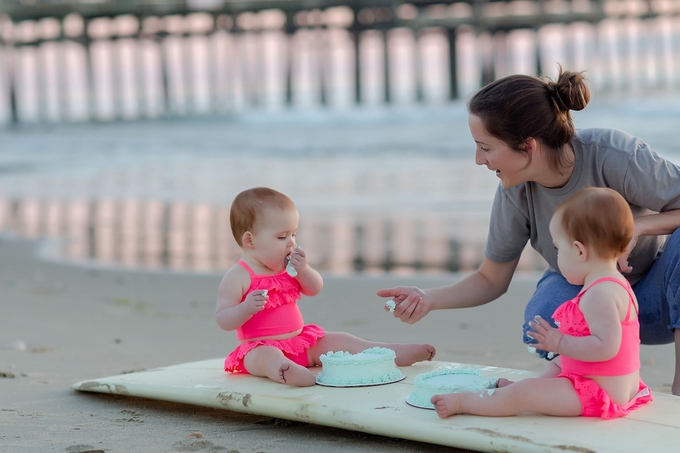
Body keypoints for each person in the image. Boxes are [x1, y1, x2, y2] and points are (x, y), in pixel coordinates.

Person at [377, 66, 680, 395]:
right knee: (544, 315)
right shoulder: (514, 191)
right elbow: (491, 279)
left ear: (528, 147)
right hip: (589, 310)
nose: (479, 160)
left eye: (486, 147)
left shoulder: (612, 155)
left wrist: (637, 226)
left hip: (657, 303)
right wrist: (428, 298)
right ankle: (583, 387)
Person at [431, 188, 653, 418]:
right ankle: (531, 391)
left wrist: (560, 342)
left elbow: (607, 347)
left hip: (599, 392)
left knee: (526, 393)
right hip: (605, 381)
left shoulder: (601, 294)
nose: (556, 256)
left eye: (558, 248)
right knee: (558, 363)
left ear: (579, 251)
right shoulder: (614, 283)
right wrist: (562, 349)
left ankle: (462, 403)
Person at [216, 187, 436, 387]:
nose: (291, 242)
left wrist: (304, 271)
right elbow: (223, 319)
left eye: (293, 234)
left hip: (302, 343)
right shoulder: (239, 276)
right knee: (264, 358)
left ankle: (389, 353)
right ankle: (285, 371)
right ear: (250, 241)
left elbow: (314, 288)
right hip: (258, 347)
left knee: (341, 339)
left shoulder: (287, 268)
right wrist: (245, 308)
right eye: (282, 236)